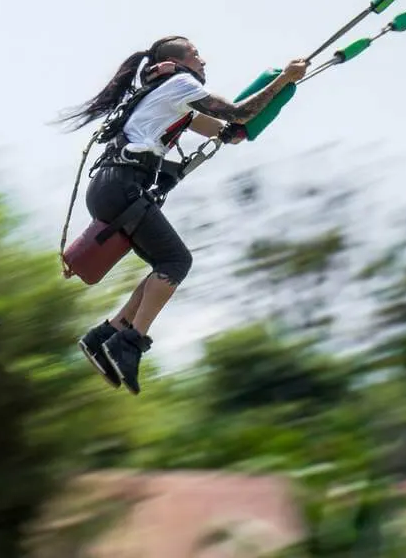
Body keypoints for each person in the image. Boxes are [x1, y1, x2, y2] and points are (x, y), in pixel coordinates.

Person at [57, 36, 308, 393]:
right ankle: (128, 342)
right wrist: (283, 79)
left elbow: (230, 131)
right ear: (178, 62)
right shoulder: (180, 84)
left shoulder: (168, 97)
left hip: (112, 188)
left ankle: (106, 335)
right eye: (195, 54)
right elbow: (236, 111)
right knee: (177, 261)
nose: (203, 60)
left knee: (166, 263)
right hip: (121, 186)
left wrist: (276, 96)